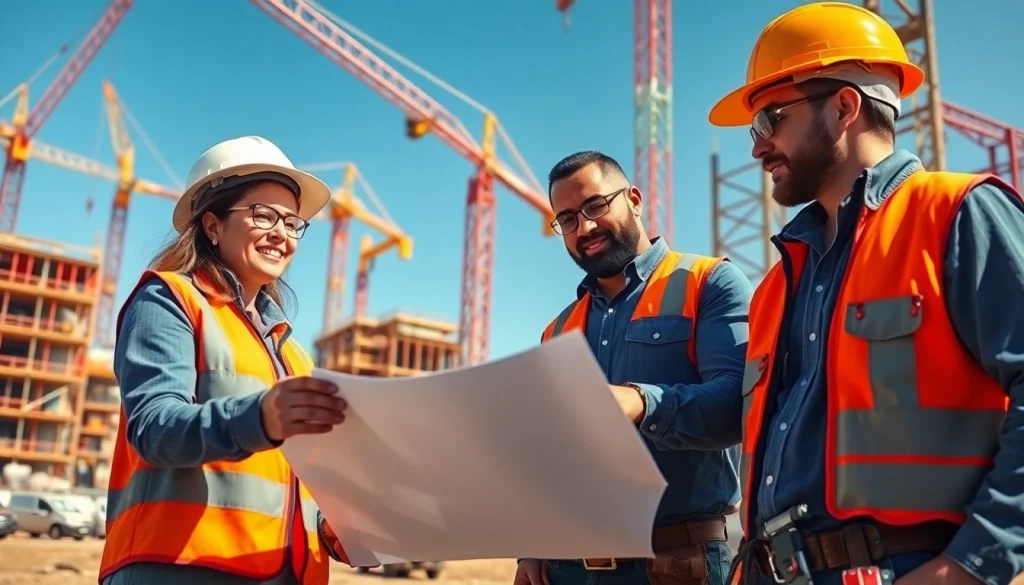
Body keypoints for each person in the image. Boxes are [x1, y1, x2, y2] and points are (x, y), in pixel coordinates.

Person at [706, 3, 1024, 585]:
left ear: (845, 107)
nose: (756, 147)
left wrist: (971, 565)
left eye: (769, 119)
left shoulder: (956, 213)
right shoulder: (776, 286)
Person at [98, 135, 353, 585]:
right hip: (181, 569)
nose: (281, 233)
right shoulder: (170, 300)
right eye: (263, 214)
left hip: (284, 572)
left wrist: (335, 529)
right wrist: (261, 417)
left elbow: (292, 485)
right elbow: (154, 427)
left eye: (292, 222)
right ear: (212, 226)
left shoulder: (292, 353)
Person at [516, 151, 753, 585]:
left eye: (595, 206)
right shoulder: (558, 329)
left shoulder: (710, 282)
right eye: (567, 219)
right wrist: (531, 548)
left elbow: (740, 403)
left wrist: (642, 401)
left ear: (635, 199)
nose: (584, 227)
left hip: (676, 565)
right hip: (565, 568)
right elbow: (550, 452)